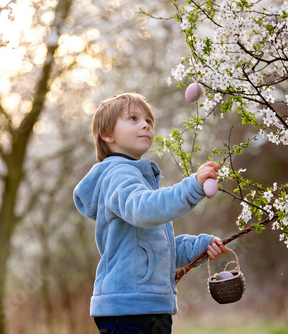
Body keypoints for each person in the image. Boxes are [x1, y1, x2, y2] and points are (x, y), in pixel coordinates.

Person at [73, 92, 229, 334]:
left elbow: (157, 250)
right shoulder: (117, 175)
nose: (145, 124)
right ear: (107, 134)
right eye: (133, 118)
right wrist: (192, 187)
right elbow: (145, 210)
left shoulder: (137, 179)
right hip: (127, 310)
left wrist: (199, 247)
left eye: (148, 120)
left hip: (149, 307)